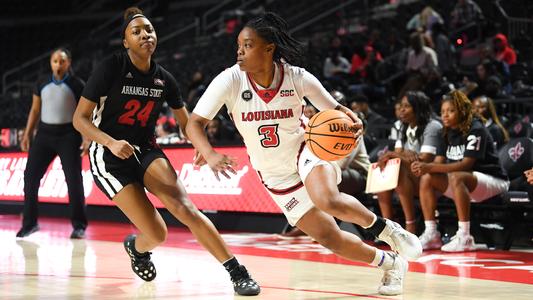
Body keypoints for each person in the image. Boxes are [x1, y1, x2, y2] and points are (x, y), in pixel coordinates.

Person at [186, 12, 422, 296]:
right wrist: (208, 153)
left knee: (328, 199)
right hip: (273, 173)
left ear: (268, 48)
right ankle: (391, 263)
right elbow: (194, 124)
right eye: (238, 45)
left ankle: (387, 230)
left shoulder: (296, 77)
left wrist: (353, 121)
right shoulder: (230, 80)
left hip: (305, 150)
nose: (239, 51)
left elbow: (338, 111)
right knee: (330, 238)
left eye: (247, 45)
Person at [72, 7, 260, 296]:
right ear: (125, 42)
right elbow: (79, 119)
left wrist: (202, 147)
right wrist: (109, 142)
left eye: (149, 29)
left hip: (145, 148)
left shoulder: (165, 79)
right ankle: (137, 247)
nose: (145, 34)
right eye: (136, 31)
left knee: (184, 207)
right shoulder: (111, 67)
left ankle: (237, 271)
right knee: (157, 233)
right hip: (109, 156)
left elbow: (188, 124)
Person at [411, 90, 509, 252]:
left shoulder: (476, 128)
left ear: (462, 111)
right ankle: (432, 233)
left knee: (456, 176)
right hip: (464, 183)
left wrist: (429, 167)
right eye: (442, 112)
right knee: (428, 178)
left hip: (493, 181)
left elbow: (466, 165)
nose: (445, 115)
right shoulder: (446, 132)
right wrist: (422, 167)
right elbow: (439, 163)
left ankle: (465, 236)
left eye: (451, 111)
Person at [16, 47, 88, 239]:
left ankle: (79, 225)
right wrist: (27, 134)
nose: (58, 64)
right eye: (55, 61)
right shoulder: (41, 83)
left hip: (69, 135)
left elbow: (85, 114)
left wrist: (86, 137)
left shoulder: (77, 84)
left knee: (74, 181)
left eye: (62, 61)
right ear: (51, 63)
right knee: (30, 178)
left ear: (68, 63)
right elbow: (35, 110)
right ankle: (30, 224)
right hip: (45, 135)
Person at [376, 91, 442, 233]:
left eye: (407, 106)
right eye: (401, 106)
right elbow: (397, 155)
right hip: (412, 177)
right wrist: (403, 154)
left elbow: (425, 160)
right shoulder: (403, 127)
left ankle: (410, 225)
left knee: (398, 169)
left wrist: (397, 155)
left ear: (418, 108)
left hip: (433, 179)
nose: (401, 110)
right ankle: (387, 228)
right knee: (385, 169)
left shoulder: (433, 126)